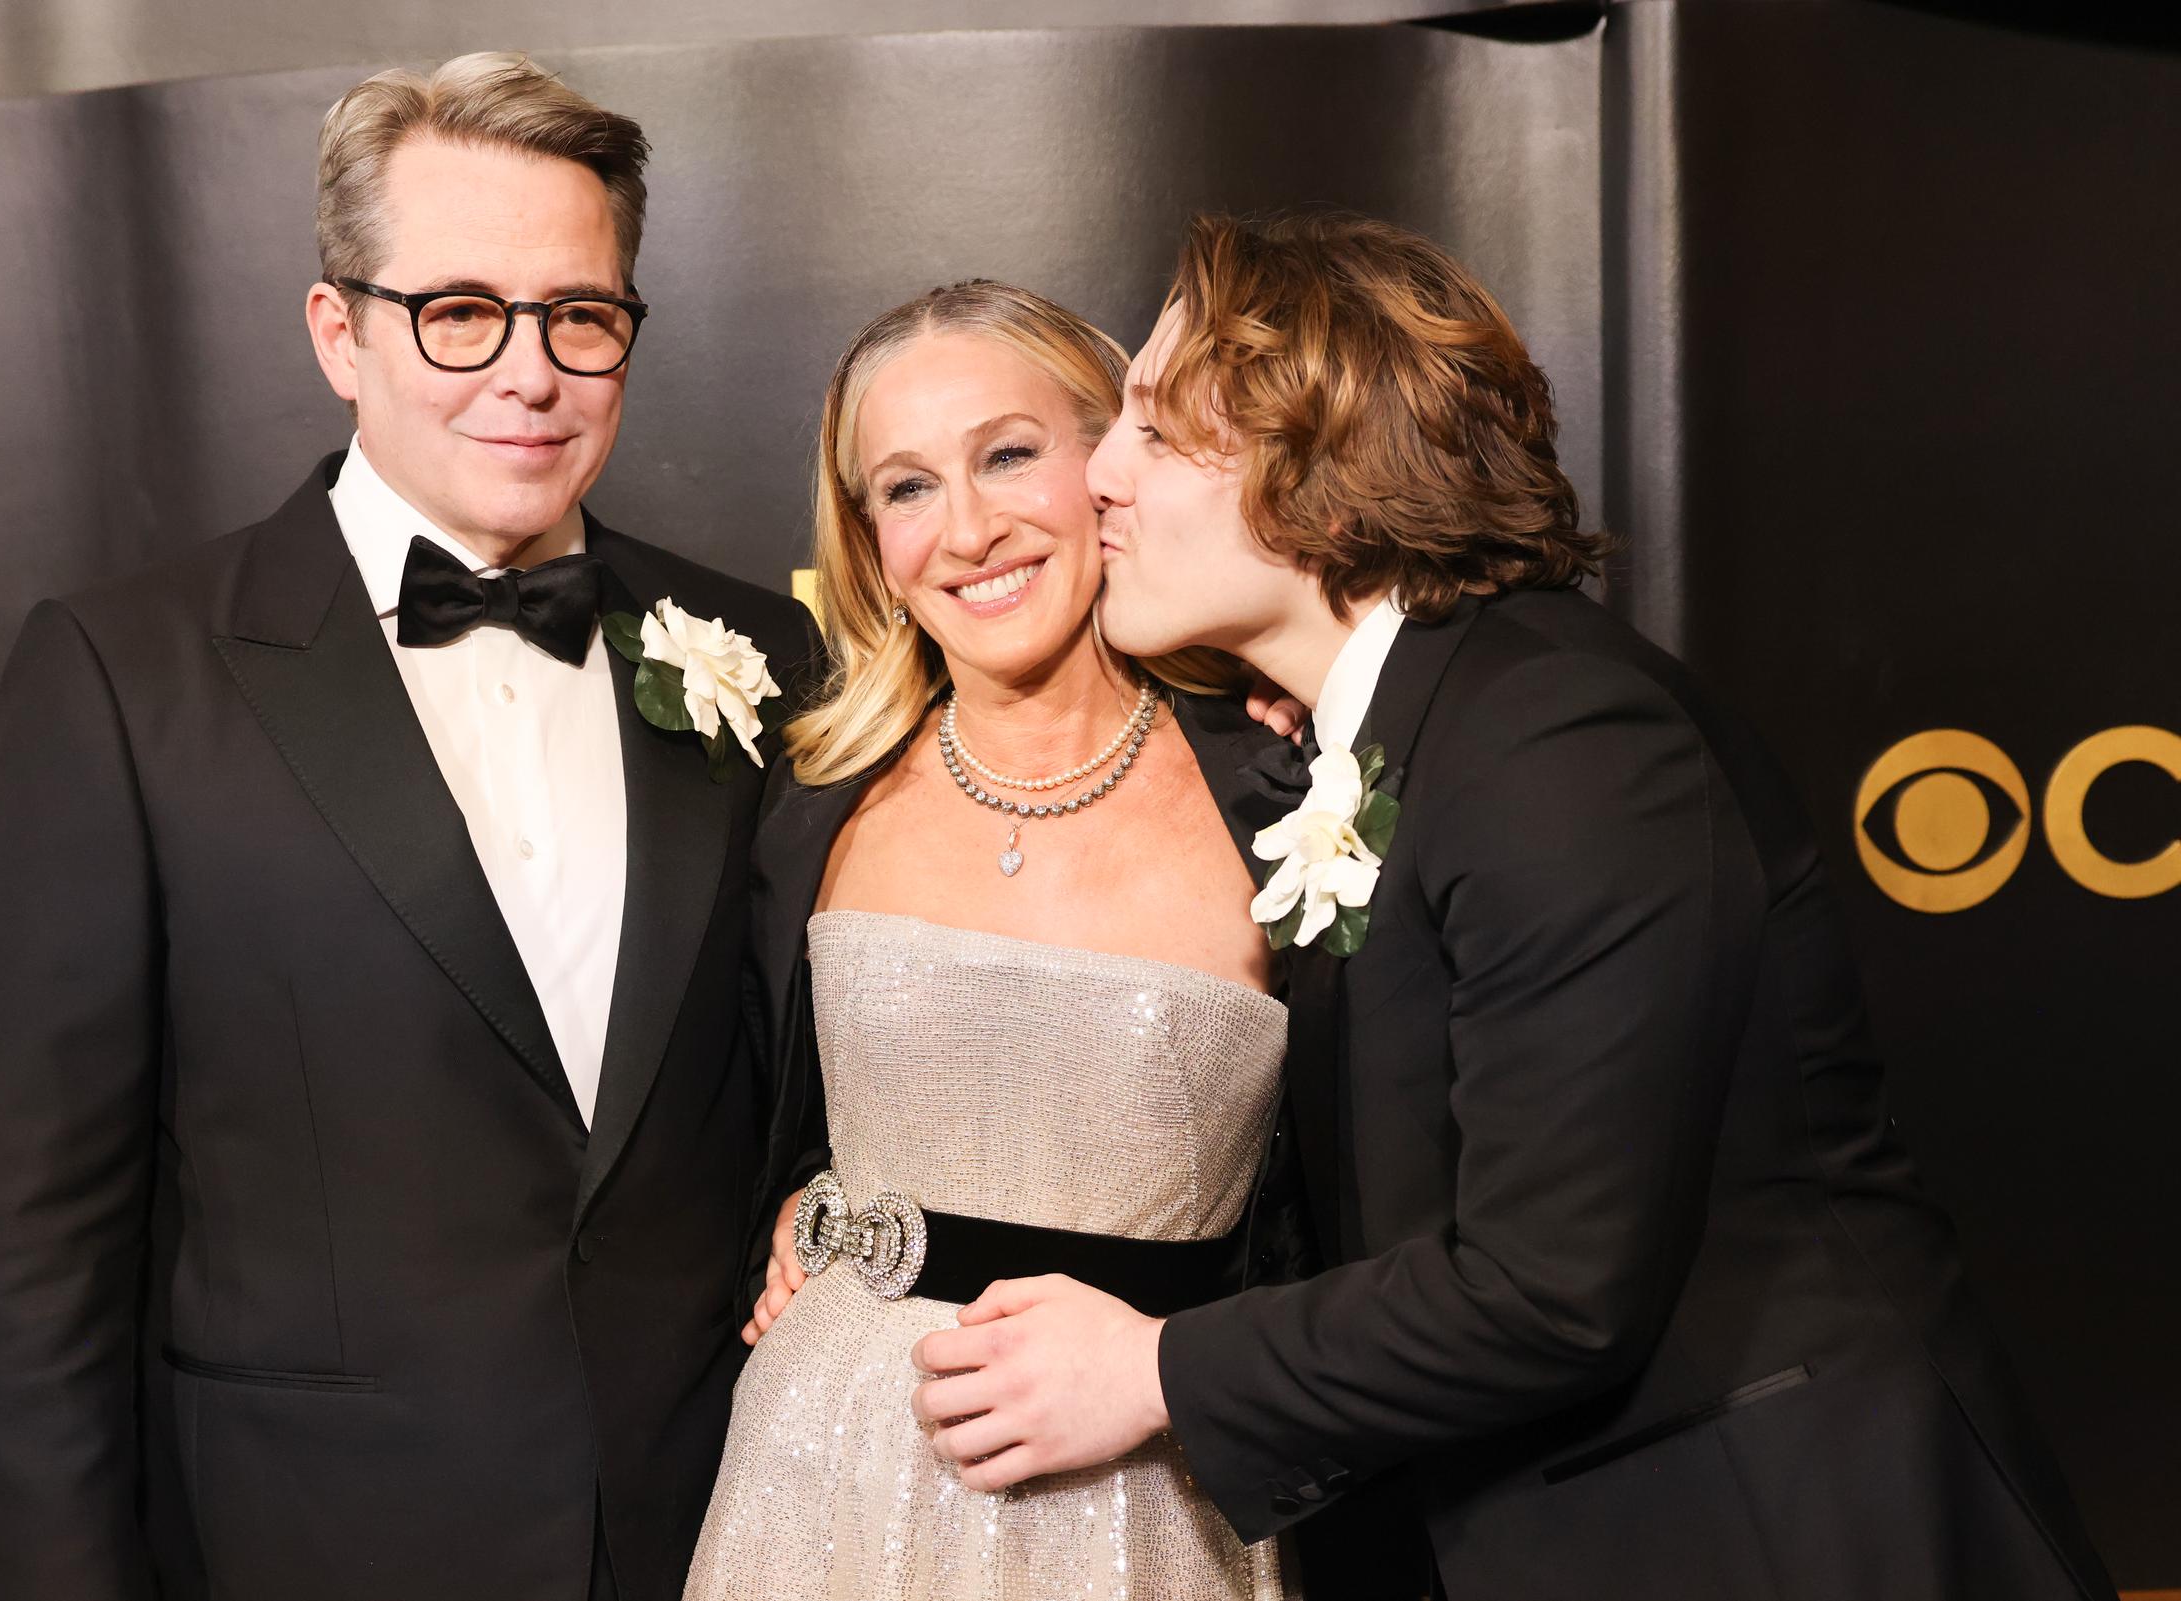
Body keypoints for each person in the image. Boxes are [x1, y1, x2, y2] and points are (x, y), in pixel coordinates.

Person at [896, 211, 2117, 1600]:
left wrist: (1153, 1369)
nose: (1100, 474)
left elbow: (1551, 1281)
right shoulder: (1405, 732)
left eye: (1159, 437)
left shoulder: (1562, 741)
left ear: (1328, 486)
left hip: (1773, 1543)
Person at [0, 53, 818, 1601]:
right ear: (338, 332)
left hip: (718, 1541)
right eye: (460, 310)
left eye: (580, 315)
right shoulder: (126, 677)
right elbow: (32, 1271)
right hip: (308, 1551)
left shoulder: (766, 653)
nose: (529, 372)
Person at [684, 280, 1319, 1599]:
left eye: (1009, 454)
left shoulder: (1293, 801)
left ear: (1115, 458)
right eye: (906, 488)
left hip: (1145, 1507)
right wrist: (812, 1210)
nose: (967, 530)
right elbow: (767, 1110)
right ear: (866, 539)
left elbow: (1357, 1218)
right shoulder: (811, 803)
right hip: (816, 1485)